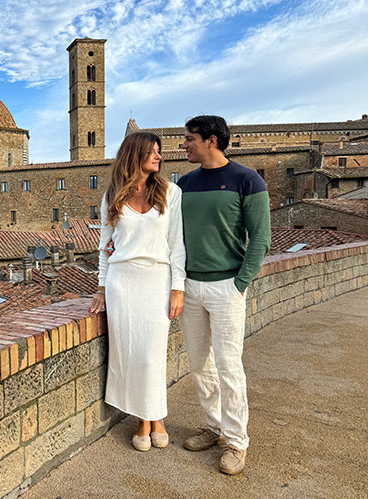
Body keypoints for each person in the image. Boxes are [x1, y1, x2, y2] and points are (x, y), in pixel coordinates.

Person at [177, 115, 270, 475]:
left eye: (189, 139)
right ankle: (214, 426)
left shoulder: (247, 180)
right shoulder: (184, 184)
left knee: (229, 366)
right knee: (199, 363)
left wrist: (240, 283)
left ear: (211, 141)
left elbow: (260, 238)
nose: (183, 145)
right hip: (189, 286)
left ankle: (236, 442)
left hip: (226, 286)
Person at [90, 132, 186, 451]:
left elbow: (177, 245)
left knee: (151, 356)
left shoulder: (171, 192)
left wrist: (177, 288)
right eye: (152, 152)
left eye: (160, 152)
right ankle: (149, 421)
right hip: (122, 283)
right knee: (130, 354)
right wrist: (101, 289)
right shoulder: (112, 196)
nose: (159, 157)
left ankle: (150, 418)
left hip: (157, 280)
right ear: (136, 155)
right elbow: (105, 247)